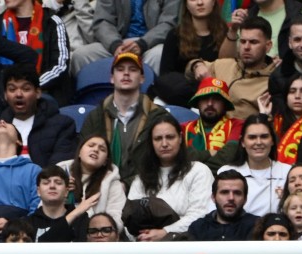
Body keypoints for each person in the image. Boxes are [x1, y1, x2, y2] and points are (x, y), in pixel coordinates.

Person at [78, 52, 174, 183]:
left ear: (142, 79)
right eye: (120, 69)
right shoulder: (96, 116)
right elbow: (82, 158)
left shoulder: (158, 117)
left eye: (133, 70)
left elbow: (166, 162)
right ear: (112, 78)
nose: (126, 73)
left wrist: (128, 185)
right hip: (101, 188)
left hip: (145, 188)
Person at [126, 117, 216, 240]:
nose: (164, 144)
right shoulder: (141, 179)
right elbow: (128, 218)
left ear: (180, 138)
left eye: (170, 137)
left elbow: (200, 215)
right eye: (158, 139)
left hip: (187, 246)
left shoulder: (198, 171)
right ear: (151, 143)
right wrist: (143, 237)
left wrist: (165, 232)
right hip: (145, 249)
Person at [188, 16, 276, 121]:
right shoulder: (226, 64)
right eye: (243, 41)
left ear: (268, 46)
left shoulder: (273, 80)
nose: (246, 47)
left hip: (245, 133)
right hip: (212, 131)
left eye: (253, 42)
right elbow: (188, 69)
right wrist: (197, 65)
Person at [70, 0, 179, 73]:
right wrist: (115, 45)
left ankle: (149, 101)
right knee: (81, 55)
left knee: (159, 55)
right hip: (118, 41)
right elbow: (102, 21)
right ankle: (89, 102)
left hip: (151, 44)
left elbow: (169, 23)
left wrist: (143, 44)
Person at [188, 170, 259, 241]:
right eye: (224, 192)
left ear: (245, 199)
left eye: (237, 193)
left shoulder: (257, 226)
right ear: (213, 197)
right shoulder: (198, 228)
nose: (231, 198)